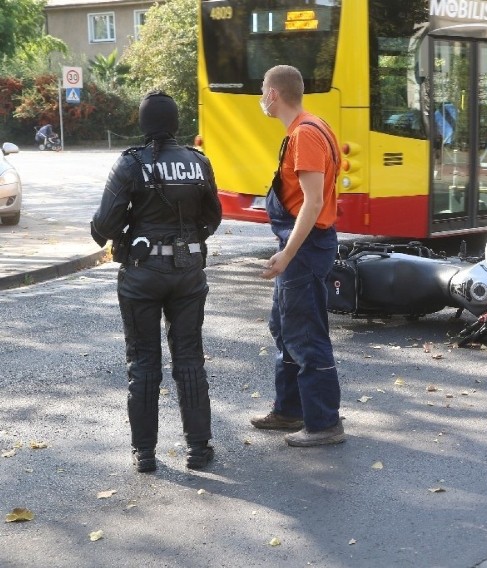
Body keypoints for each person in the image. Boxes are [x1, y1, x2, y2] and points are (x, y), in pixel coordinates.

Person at [90, 91, 222, 472]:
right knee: (190, 360)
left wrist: (113, 232)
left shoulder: (131, 163)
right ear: (176, 124)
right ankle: (198, 449)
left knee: (144, 362)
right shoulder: (198, 162)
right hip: (188, 273)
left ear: (143, 124)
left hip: (142, 275)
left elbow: (107, 224)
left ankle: (145, 454)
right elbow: (213, 218)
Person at [250, 65, 345, 447]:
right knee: (285, 326)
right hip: (306, 245)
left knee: (306, 335)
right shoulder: (311, 126)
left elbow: (313, 201)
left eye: (262, 90)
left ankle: (323, 424)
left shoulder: (305, 134)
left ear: (273, 94)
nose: (261, 97)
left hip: (304, 248)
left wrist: (287, 254)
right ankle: (290, 410)